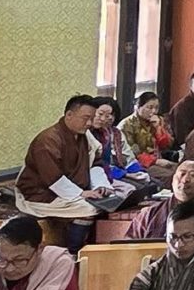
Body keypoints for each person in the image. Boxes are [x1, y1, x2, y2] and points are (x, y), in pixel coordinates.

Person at [15, 94, 118, 246]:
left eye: (91, 118)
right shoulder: (48, 140)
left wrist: (101, 186)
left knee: (109, 201)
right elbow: (53, 178)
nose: (89, 123)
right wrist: (81, 193)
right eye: (85, 118)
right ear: (69, 115)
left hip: (72, 190)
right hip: (42, 194)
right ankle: (73, 251)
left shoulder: (84, 136)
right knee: (88, 209)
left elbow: (94, 163)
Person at [123, 159, 194, 239]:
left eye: (193, 175)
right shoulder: (150, 214)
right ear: (173, 179)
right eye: (182, 174)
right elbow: (129, 247)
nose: (185, 180)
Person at [120, 90, 173, 166]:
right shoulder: (127, 124)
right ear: (139, 107)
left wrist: (158, 128)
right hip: (139, 163)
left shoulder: (159, 120)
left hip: (160, 159)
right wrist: (154, 161)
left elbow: (167, 146)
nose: (154, 111)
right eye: (149, 107)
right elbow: (131, 152)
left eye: (156, 108)